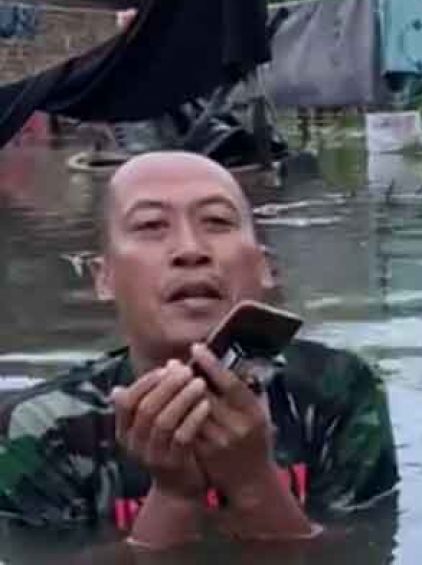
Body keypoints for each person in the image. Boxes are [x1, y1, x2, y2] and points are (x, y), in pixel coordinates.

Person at [0, 152, 398, 547]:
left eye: (218, 222)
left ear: (265, 268)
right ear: (104, 278)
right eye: (151, 225)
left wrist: (252, 480)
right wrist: (174, 495)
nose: (190, 249)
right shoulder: (41, 427)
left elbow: (362, 552)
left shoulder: (339, 390)